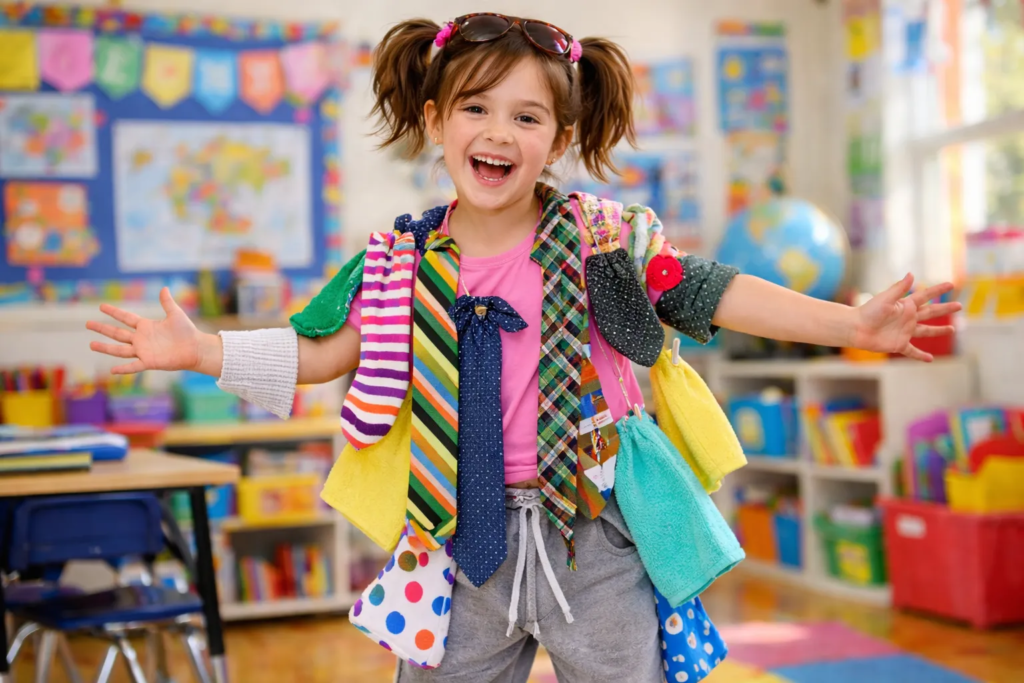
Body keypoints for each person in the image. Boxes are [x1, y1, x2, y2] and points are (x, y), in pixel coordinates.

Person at [88, 15, 959, 683]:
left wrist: (851, 324)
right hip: (456, 538)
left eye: (528, 114)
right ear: (435, 120)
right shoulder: (398, 260)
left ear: (562, 138)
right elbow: (324, 351)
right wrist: (204, 352)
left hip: (594, 528)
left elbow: (706, 288)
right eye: (475, 106)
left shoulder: (603, 239)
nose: (498, 131)